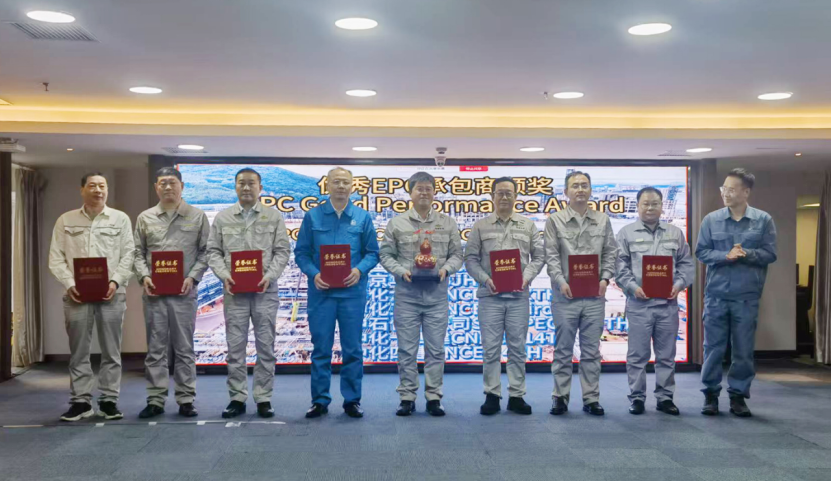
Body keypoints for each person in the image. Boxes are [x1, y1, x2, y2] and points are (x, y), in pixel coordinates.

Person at [48, 172, 135, 422]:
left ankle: (109, 401)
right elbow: (55, 257)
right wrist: (69, 283)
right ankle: (80, 402)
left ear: (107, 190)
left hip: (112, 294)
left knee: (111, 351)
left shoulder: (120, 219)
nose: (98, 190)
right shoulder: (66, 220)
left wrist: (115, 281)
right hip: (76, 295)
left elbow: (129, 253)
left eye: (102, 186)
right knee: (78, 351)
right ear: (82, 190)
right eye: (92, 186)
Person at [294, 167, 379, 419]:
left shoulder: (362, 217)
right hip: (322, 293)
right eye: (336, 182)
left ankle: (352, 400)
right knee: (321, 348)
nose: (341, 186)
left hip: (352, 293)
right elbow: (302, 253)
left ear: (352, 186)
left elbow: (373, 253)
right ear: (327, 185)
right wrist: (314, 274)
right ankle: (319, 400)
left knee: (352, 348)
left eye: (345, 182)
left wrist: (359, 270)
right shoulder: (313, 216)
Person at [207, 168, 291, 418]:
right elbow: (213, 252)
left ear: (260, 188)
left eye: (251, 183)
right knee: (235, 346)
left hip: (265, 291)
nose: (246, 188)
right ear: (235, 187)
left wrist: (270, 276)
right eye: (241, 183)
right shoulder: (223, 218)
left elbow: (282, 251)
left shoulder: (273, 216)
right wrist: (224, 275)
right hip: (235, 292)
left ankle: (264, 397)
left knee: (266, 346)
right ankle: (237, 397)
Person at [380, 171, 463, 417]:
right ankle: (407, 397)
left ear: (434, 192)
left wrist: (446, 270)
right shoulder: (397, 223)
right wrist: (400, 271)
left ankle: (434, 397)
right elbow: (385, 255)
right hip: (407, 296)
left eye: (428, 188)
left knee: (436, 350)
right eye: (419, 188)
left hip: (437, 297)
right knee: (407, 349)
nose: (424, 192)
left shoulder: (448, 223)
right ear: (411, 192)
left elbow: (457, 255)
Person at [696, 168, 777, 417]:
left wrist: (746, 253)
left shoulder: (763, 220)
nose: (726, 194)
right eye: (724, 189)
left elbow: (770, 253)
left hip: (747, 297)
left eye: (731, 189)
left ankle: (738, 397)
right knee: (713, 348)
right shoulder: (711, 220)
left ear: (746, 192)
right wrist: (726, 255)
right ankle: (710, 395)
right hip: (716, 296)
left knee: (743, 350)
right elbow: (701, 252)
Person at [133, 167, 210, 418]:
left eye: (172, 182)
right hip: (154, 294)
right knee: (156, 348)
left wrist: (192, 277)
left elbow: (206, 252)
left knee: (184, 348)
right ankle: (155, 399)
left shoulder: (197, 216)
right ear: (156, 187)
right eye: (163, 183)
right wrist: (144, 276)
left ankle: (186, 398)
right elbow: (137, 252)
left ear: (182, 186)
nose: (168, 187)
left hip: (184, 294)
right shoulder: (145, 217)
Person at [464, 176, 544, 415]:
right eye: (500, 193)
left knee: (518, 347)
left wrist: (526, 277)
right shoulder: (480, 226)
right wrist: (484, 279)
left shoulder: (528, 225)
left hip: (519, 297)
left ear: (516, 196)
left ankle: (517, 395)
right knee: (491, 348)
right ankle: (492, 394)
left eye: (509, 193)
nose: (505, 197)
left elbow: (539, 256)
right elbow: (470, 259)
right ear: (492, 196)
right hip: (490, 297)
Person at [544, 171, 617, 416]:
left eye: (584, 185)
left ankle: (591, 398)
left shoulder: (603, 220)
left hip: (594, 297)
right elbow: (551, 256)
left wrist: (605, 278)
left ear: (590, 190)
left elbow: (610, 252)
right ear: (566, 192)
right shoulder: (555, 221)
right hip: (565, 297)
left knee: (591, 351)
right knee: (563, 349)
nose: (580, 190)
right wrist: (560, 281)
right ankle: (560, 397)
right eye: (575, 186)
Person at [615, 187, 694, 415]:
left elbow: (686, 264)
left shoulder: (675, 233)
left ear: (662, 206)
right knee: (637, 355)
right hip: (639, 304)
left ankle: (665, 398)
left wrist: (679, 284)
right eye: (646, 204)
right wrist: (633, 287)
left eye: (655, 204)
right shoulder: (626, 233)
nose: (650, 208)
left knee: (666, 355)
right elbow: (620, 267)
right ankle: (637, 397)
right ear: (638, 206)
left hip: (667, 305)